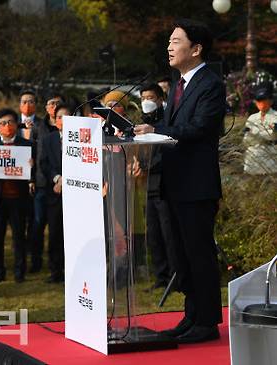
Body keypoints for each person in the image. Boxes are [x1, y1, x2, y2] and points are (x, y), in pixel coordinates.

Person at [134, 19, 225, 344]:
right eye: (169, 42)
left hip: (196, 185)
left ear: (196, 48)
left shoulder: (210, 84)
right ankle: (192, 316)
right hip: (172, 182)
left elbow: (199, 128)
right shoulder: (177, 84)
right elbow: (173, 126)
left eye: (176, 41)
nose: (169, 47)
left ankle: (208, 321)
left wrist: (157, 132)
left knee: (199, 253)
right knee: (181, 254)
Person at [0, 108, 34, 283]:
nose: (7, 126)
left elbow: (33, 173)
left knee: (19, 238)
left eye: (10, 122)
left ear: (16, 124)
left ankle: (20, 272)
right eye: (3, 123)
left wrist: (31, 167)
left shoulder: (26, 145)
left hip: (18, 198)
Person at [139, 83, 178, 289]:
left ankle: (174, 276)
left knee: (168, 233)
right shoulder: (141, 122)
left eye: (151, 97)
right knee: (153, 234)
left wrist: (148, 166)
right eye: (144, 97)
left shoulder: (166, 121)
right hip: (147, 186)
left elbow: (167, 150)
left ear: (161, 99)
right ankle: (160, 276)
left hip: (164, 183)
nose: (147, 101)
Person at [28, 92, 63, 274]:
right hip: (42, 182)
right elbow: (33, 155)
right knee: (38, 223)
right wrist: (31, 178)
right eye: (51, 103)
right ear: (46, 107)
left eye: (58, 103)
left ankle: (59, 265)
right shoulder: (38, 127)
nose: (54, 106)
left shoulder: (68, 129)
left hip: (63, 185)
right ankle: (36, 261)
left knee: (58, 227)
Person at [39, 103, 69, 283]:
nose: (62, 120)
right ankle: (55, 270)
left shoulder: (82, 138)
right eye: (59, 117)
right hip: (55, 192)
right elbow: (44, 163)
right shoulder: (48, 139)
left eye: (66, 117)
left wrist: (67, 181)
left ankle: (73, 269)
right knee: (55, 232)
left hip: (76, 192)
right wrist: (57, 178)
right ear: (54, 120)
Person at [243, 87, 277, 174]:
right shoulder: (252, 118)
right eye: (259, 100)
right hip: (252, 159)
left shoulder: (275, 116)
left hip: (271, 158)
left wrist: (255, 132)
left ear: (271, 101)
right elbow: (246, 140)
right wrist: (264, 133)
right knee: (252, 185)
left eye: (264, 100)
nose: (262, 103)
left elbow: (273, 136)